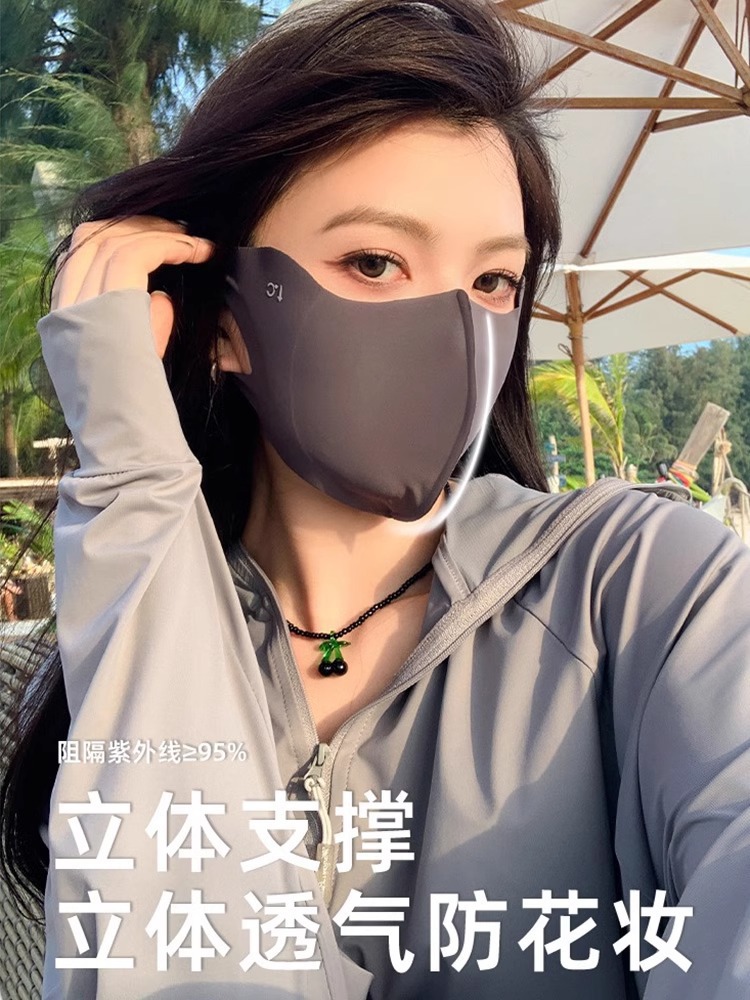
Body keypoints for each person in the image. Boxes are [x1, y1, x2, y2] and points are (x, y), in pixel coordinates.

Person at [1, 1, 749, 998]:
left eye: (494, 280)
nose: (455, 329)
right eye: (374, 261)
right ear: (223, 319)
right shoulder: (100, 643)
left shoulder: (647, 586)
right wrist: (132, 484)